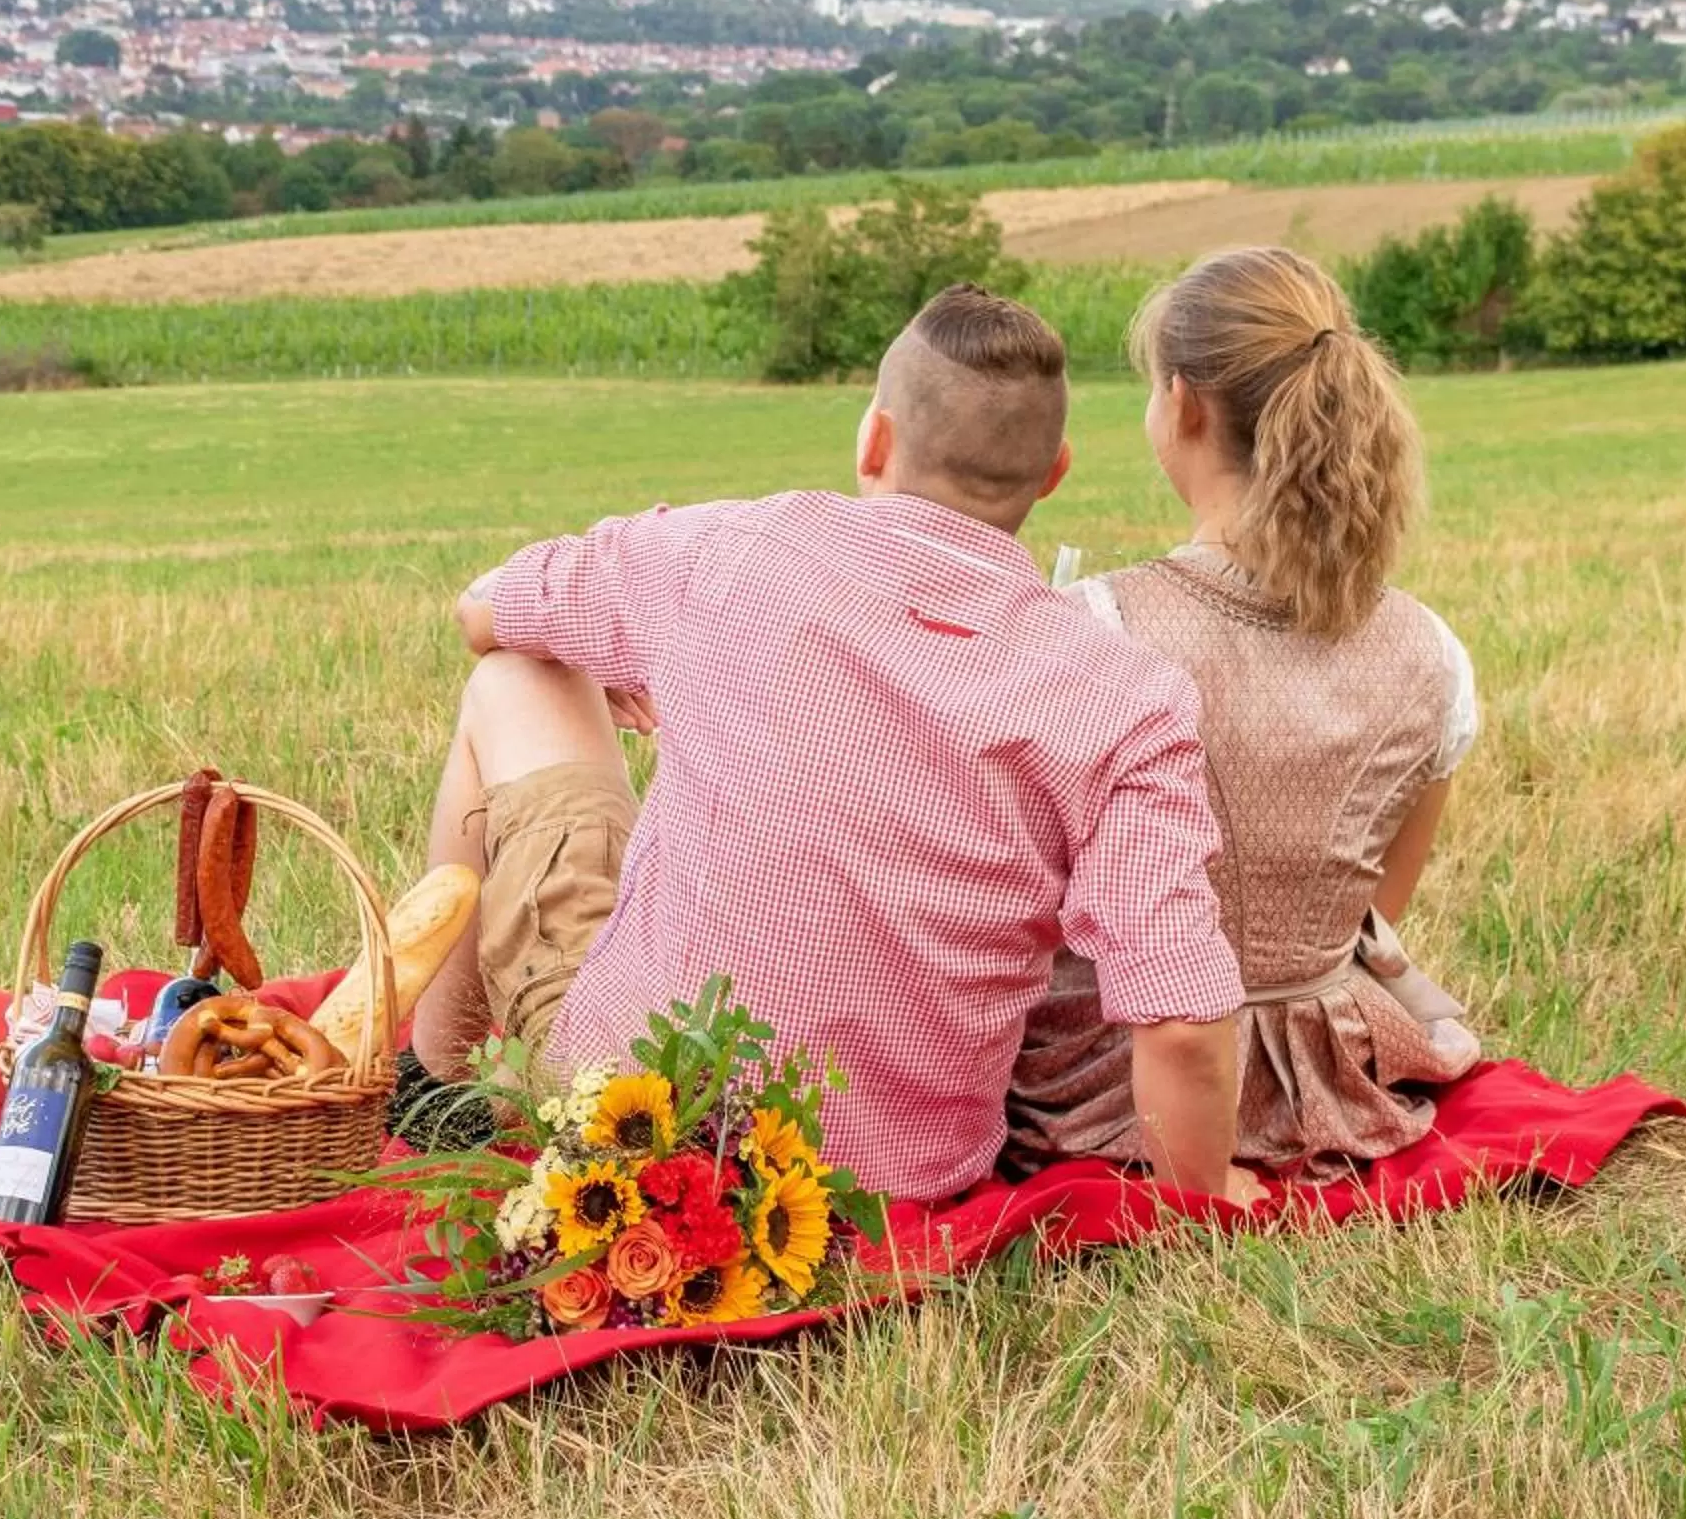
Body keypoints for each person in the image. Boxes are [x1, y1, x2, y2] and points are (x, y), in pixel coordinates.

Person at [408, 284, 1260, 1204]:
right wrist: (1206, 1198)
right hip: (892, 1184)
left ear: (875, 441)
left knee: (511, 677)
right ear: (1053, 473)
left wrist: (585, 652)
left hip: (627, 1114)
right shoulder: (1129, 697)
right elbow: (1178, 1016)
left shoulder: (734, 547)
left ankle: (444, 1078)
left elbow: (485, 610)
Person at [1007, 247, 1483, 1183]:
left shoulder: (1096, 627)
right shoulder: (1433, 650)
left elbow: (1025, 900)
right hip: (1328, 1072)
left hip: (1117, 1079)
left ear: (1182, 404)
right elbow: (1372, 913)